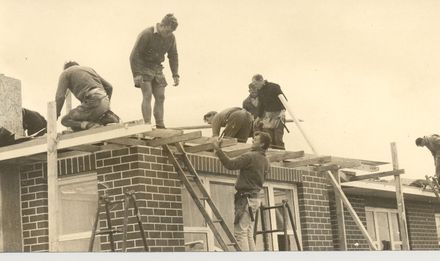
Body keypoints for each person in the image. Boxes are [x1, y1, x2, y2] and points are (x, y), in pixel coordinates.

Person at [212, 132, 271, 251]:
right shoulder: (266, 161)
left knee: (240, 234)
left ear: (262, 144)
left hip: (245, 199)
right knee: (248, 233)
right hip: (255, 199)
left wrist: (218, 149)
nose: (252, 141)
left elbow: (230, 164)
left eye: (255, 140)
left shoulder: (250, 156)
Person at [129, 13, 180, 129]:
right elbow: (134, 55)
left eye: (171, 32)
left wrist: (175, 74)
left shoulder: (171, 37)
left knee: (161, 96)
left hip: (157, 68)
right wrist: (136, 74)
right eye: (167, 31)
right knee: (147, 94)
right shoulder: (147, 34)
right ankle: (147, 124)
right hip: (143, 67)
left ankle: (160, 124)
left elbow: (173, 55)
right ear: (162, 26)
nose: (168, 34)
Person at [55, 61, 119, 131]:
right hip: (104, 100)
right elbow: (109, 87)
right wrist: (106, 108)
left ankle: (90, 125)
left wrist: (55, 114)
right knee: (88, 117)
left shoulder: (65, 73)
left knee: (66, 120)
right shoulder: (89, 69)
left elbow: (60, 97)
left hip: (92, 101)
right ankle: (106, 116)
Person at [251, 74, 286, 150]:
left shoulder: (274, 87)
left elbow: (284, 100)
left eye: (256, 83)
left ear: (261, 80)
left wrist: (283, 112)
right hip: (268, 118)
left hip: (278, 116)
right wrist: (258, 117)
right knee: (269, 140)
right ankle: (271, 159)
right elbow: (261, 105)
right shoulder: (260, 91)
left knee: (278, 140)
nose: (255, 86)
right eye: (254, 84)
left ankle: (282, 158)